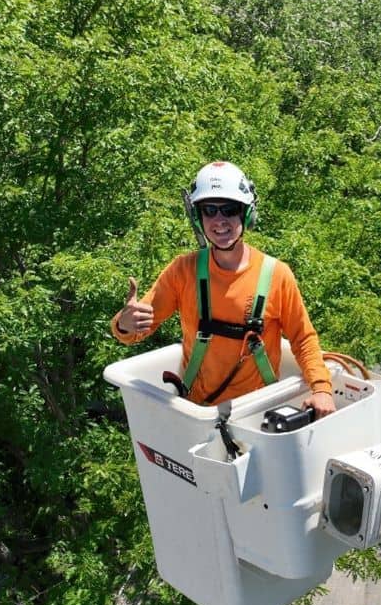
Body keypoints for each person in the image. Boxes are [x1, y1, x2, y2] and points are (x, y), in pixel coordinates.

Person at [111, 161, 335, 418]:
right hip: (198, 412)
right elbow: (133, 332)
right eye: (209, 210)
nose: (219, 220)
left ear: (246, 214)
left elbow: (303, 338)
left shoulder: (276, 275)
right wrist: (125, 323)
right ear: (199, 217)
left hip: (257, 411)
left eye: (229, 210)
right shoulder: (183, 271)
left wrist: (322, 389)